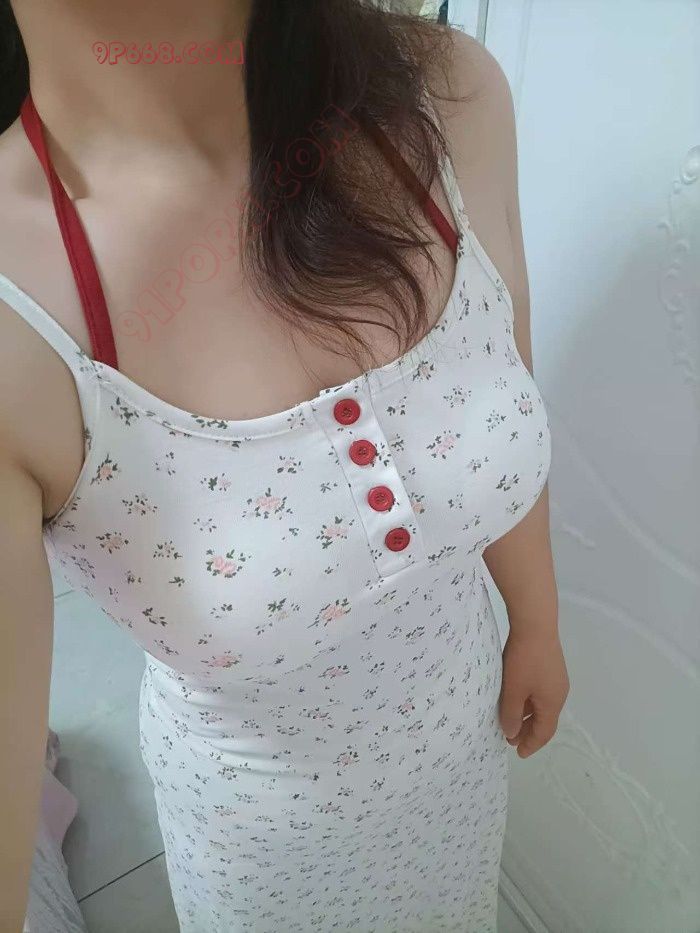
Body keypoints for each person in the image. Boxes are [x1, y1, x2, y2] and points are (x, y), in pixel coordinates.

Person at [0, 1, 570, 930]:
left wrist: (536, 621)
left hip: (463, 753)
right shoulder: (15, 317)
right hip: (264, 850)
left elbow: (504, 379)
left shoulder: (450, 92)